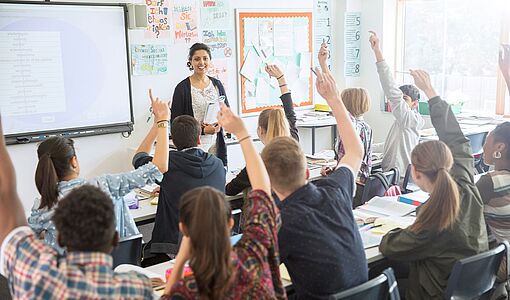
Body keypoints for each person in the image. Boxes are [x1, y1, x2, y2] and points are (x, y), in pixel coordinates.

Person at [0, 118, 154, 298]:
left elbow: (9, 214)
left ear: (62, 239)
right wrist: (161, 121)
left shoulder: (42, 285)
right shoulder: (136, 287)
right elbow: (155, 168)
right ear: (114, 238)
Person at [379, 70, 488, 299]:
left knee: (380, 277)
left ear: (415, 173)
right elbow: (457, 139)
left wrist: (397, 228)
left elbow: (390, 246)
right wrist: (431, 92)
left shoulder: (434, 219)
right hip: (468, 289)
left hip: (434, 292)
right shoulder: (467, 187)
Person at [260, 65, 368, 299]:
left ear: (270, 183)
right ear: (308, 172)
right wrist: (334, 99)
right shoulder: (335, 190)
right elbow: (355, 151)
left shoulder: (281, 222)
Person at [159, 103, 285, 299]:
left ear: (183, 229)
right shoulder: (255, 256)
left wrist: (181, 260)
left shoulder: (188, 290)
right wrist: (242, 134)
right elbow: (262, 190)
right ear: (230, 222)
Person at [27, 93, 170, 254]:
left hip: (68, 276)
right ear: (73, 161)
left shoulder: (43, 207)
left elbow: (24, 246)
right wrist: (162, 121)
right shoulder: (105, 185)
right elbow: (159, 167)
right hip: (116, 270)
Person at [133, 92, 225, 254]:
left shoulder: (168, 164)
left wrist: (158, 124)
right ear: (198, 139)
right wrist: (169, 187)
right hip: (212, 243)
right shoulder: (217, 164)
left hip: (177, 247)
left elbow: (138, 157)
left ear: (173, 141)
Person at [225, 64, 299, 196]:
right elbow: (290, 112)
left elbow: (230, 190)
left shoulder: (258, 163)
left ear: (260, 131)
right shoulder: (294, 144)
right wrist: (281, 79)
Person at [369, 31, 424, 175]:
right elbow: (391, 145)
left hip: (398, 178)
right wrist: (366, 146)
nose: (399, 104)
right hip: (395, 173)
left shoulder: (407, 118)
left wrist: (377, 51)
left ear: (415, 103)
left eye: (405, 99)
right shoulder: (404, 121)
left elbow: (390, 87)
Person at [171, 42, 230, 166]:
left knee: (217, 178)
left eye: (205, 58)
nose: (201, 63)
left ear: (210, 60)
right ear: (190, 62)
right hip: (193, 147)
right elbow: (176, 125)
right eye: (197, 59)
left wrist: (220, 124)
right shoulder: (182, 88)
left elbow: (227, 112)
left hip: (216, 143)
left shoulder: (217, 84)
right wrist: (202, 130)